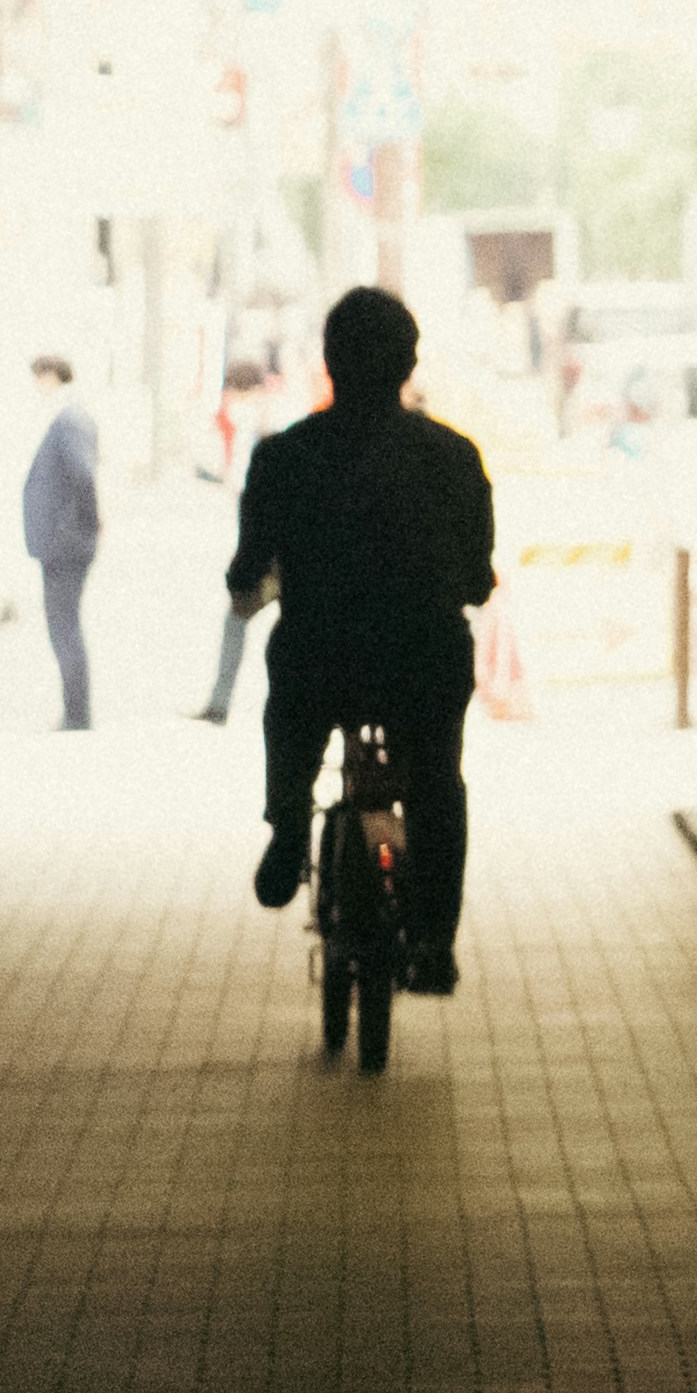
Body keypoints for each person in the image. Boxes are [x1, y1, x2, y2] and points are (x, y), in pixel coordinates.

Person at [234, 287, 496, 993]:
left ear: (329, 362)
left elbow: (246, 574)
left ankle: (289, 827)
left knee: (288, 710)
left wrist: (254, 591)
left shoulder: (283, 458)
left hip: (322, 660)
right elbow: (476, 582)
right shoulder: (454, 457)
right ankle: (434, 943)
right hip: (424, 665)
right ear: (410, 363)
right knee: (437, 783)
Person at [21, 356, 101, 732]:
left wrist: (78, 527)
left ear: (50, 377)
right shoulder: (73, 416)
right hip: (67, 539)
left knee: (64, 625)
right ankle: (75, 712)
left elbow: (84, 476)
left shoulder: (68, 418)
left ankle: (76, 713)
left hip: (64, 542)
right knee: (65, 624)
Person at [191, 355, 266, 721]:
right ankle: (219, 701)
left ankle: (220, 702)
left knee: (236, 620)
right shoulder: (266, 419)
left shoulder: (253, 422)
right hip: (269, 535)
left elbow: (240, 478)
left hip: (263, 537)